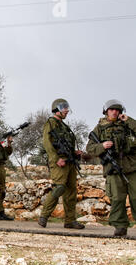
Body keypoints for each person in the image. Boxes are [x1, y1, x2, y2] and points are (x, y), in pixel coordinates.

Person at [86, 100, 136, 237]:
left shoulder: (128, 125)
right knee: (117, 198)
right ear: (106, 111)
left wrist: (130, 120)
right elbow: (90, 148)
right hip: (112, 169)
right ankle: (120, 226)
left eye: (117, 110)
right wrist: (102, 146)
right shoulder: (100, 128)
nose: (115, 112)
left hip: (131, 167)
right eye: (112, 109)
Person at [38, 99, 85, 229]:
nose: (66, 110)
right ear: (56, 109)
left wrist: (74, 152)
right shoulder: (51, 123)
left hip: (69, 161)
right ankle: (44, 216)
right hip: (59, 162)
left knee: (71, 192)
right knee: (59, 188)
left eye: (67, 107)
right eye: (64, 107)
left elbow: (65, 143)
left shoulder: (64, 126)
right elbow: (47, 143)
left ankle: (70, 220)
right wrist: (56, 158)